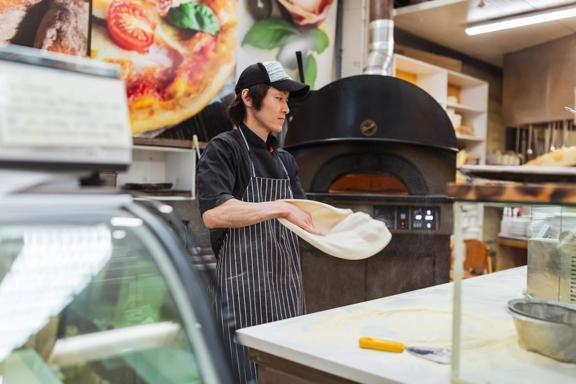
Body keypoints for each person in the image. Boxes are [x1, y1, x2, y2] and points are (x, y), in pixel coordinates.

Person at [196, 61, 322, 383]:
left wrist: (351, 228)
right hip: (242, 292)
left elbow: (303, 213)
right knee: (245, 375)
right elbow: (215, 213)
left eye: (287, 101)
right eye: (279, 99)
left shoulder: (284, 160)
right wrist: (279, 207)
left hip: (286, 289)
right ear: (249, 99)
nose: (285, 109)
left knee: (286, 373)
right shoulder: (224, 149)